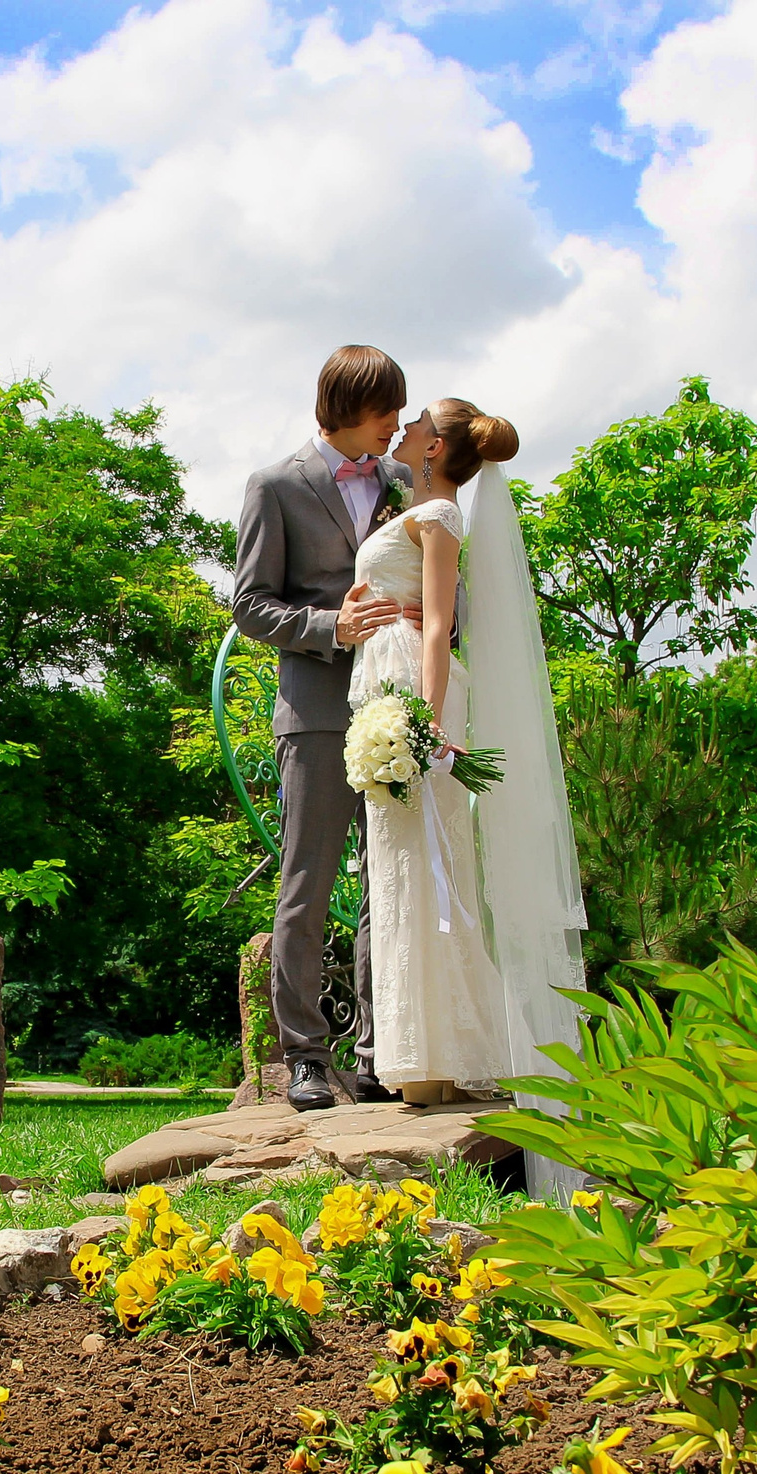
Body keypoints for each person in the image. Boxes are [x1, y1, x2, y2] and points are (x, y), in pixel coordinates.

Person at [350, 398, 588, 1119]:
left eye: (419, 419)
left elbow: (440, 627)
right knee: (404, 873)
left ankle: (443, 1057)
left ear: (435, 448)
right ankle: (428, 1058)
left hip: (413, 703)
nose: (407, 425)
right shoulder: (413, 512)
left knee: (431, 872)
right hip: (385, 687)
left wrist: (421, 721)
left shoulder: (442, 517)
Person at [231, 347, 412, 1112]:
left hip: (397, 706)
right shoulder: (274, 485)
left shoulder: (402, 484)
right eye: (386, 414)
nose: (398, 428)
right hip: (314, 712)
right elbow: (248, 604)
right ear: (343, 410)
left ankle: (376, 1052)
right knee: (307, 881)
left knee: (386, 883)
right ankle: (305, 1055)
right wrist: (331, 624)